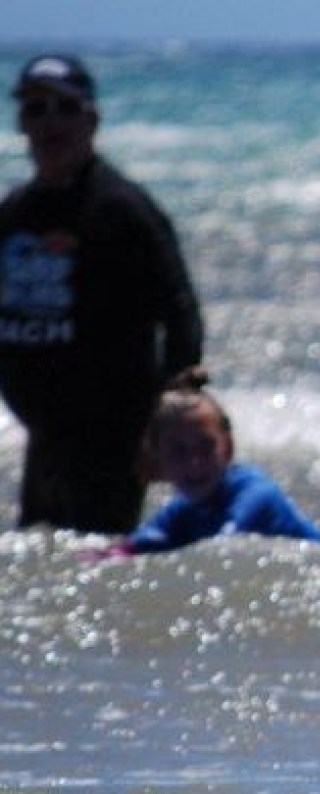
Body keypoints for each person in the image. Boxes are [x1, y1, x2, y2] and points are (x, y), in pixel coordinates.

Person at [0, 53, 204, 533]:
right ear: (22, 124)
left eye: (64, 108)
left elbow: (180, 313)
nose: (50, 122)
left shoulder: (122, 210)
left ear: (91, 120)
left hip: (113, 435)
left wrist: (171, 420)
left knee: (98, 563)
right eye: (35, 109)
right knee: (40, 573)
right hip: (43, 433)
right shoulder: (14, 215)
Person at [101, 367, 320, 555]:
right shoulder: (184, 508)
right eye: (178, 452)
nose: (194, 462)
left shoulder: (255, 494)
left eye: (205, 447)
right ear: (159, 460)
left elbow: (223, 545)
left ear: (228, 448)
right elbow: (134, 545)